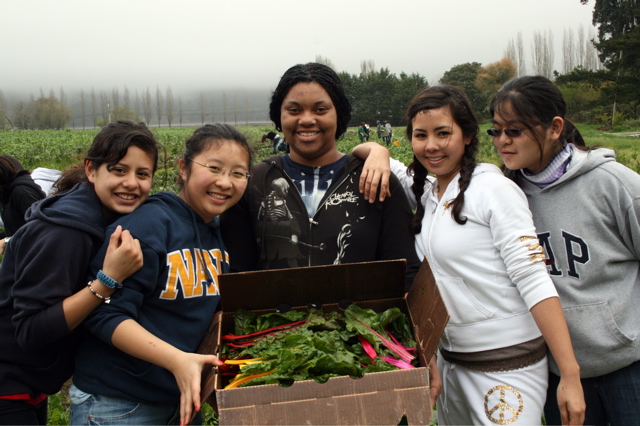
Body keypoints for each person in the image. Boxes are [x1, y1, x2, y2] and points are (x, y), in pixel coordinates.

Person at [353, 85, 585, 425]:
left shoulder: (494, 190)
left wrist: (570, 374)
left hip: (507, 368)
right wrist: (377, 151)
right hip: (451, 365)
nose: (431, 145)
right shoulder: (427, 191)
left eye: (443, 133)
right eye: (421, 135)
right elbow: (368, 152)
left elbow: (534, 278)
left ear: (468, 135)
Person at [70, 123, 252, 426]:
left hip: (179, 396)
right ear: (183, 168)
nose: (225, 182)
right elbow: (105, 315)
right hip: (119, 403)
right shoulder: (150, 225)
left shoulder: (214, 230)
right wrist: (177, 361)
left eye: (238, 173)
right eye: (214, 168)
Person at [489, 75, 640, 426]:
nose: (502, 142)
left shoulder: (614, 185)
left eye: (514, 131)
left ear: (555, 127)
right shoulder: (508, 196)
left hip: (627, 370)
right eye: (495, 131)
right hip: (556, 373)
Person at [0, 120, 159, 425]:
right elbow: (30, 329)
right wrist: (106, 281)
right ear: (91, 170)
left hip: (30, 383)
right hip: (7, 386)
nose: (131, 183)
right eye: (118, 170)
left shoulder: (102, 217)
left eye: (143, 174)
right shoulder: (66, 231)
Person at [220, 62, 420, 292]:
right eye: (294, 110)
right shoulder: (254, 182)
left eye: (320, 110)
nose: (306, 119)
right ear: (280, 115)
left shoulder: (374, 178)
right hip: (275, 326)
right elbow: (236, 273)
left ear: (339, 114)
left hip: (359, 324)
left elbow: (404, 271)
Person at [0, 155, 46, 251]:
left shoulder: (22, 193)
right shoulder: (6, 194)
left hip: (33, 258)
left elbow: (41, 231)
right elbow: (18, 229)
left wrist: (7, 241)